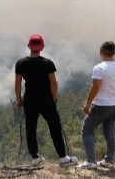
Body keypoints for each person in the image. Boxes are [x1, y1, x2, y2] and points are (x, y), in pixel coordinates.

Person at [15, 34, 78, 166]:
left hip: (29, 101)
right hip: (46, 100)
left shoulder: (20, 64)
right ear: (42, 47)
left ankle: (35, 157)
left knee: (30, 128)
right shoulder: (47, 63)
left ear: (29, 46)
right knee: (54, 127)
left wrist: (19, 101)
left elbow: (17, 85)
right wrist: (54, 96)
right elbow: (53, 83)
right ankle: (63, 158)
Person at [78, 40, 115, 169]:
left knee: (86, 130)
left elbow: (95, 88)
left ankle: (91, 161)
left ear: (100, 52)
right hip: (114, 106)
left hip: (100, 106)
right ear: (114, 53)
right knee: (109, 132)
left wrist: (88, 105)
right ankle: (109, 160)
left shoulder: (99, 68)